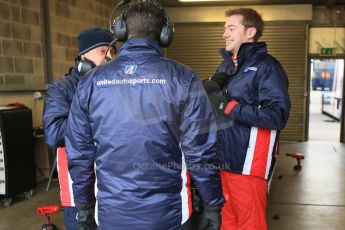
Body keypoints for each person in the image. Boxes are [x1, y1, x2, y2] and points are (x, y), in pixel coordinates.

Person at [65, 1, 224, 229]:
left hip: (111, 216)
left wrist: (83, 207)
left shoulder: (90, 82)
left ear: (120, 30)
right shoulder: (184, 78)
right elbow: (200, 151)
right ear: (165, 33)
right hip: (169, 216)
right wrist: (212, 204)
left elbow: (79, 153)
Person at [204, 8, 291, 230]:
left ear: (250, 32)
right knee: (229, 222)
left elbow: (277, 115)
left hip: (248, 165)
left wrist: (227, 105)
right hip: (224, 160)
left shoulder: (267, 67)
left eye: (231, 28)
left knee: (250, 224)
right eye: (225, 29)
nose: (225, 34)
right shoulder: (227, 66)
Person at [43, 27, 116, 230]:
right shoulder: (62, 88)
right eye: (103, 51)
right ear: (83, 55)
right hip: (78, 195)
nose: (110, 56)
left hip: (116, 192)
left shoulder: (118, 85)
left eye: (113, 51)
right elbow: (54, 133)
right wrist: (99, 119)